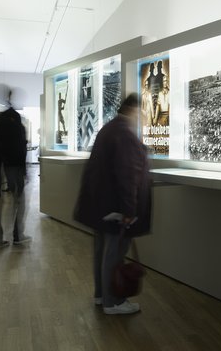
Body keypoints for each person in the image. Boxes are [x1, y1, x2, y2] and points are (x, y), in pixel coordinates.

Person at [74, 93, 152, 315]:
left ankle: (101, 295)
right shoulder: (125, 134)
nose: (145, 118)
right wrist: (129, 210)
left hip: (100, 206)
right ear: (136, 110)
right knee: (115, 254)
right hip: (116, 208)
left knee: (102, 251)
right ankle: (113, 302)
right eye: (144, 112)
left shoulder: (108, 129)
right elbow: (128, 176)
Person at [0, 106, 31, 249]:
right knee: (19, 202)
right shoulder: (18, 128)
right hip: (15, 168)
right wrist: (24, 171)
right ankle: (18, 236)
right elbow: (21, 149)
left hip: (2, 167)